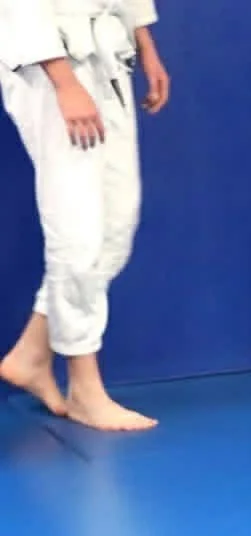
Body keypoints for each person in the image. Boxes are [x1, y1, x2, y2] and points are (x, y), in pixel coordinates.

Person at [0, 0, 169, 431]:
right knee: (76, 228)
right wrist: (62, 80)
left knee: (116, 227)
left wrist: (144, 43)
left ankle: (32, 354)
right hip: (48, 65)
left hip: (109, 53)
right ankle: (83, 387)